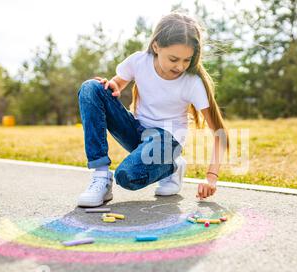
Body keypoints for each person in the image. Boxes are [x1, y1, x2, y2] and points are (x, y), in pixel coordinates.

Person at [77, 11, 229, 207]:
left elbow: (220, 133)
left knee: (127, 176)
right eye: (174, 59)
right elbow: (116, 85)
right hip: (138, 131)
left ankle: (172, 165)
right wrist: (110, 86)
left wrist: (211, 177)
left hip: (166, 141)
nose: (181, 66)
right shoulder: (138, 61)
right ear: (156, 46)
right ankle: (101, 177)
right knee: (91, 88)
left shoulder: (193, 83)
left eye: (187, 60)